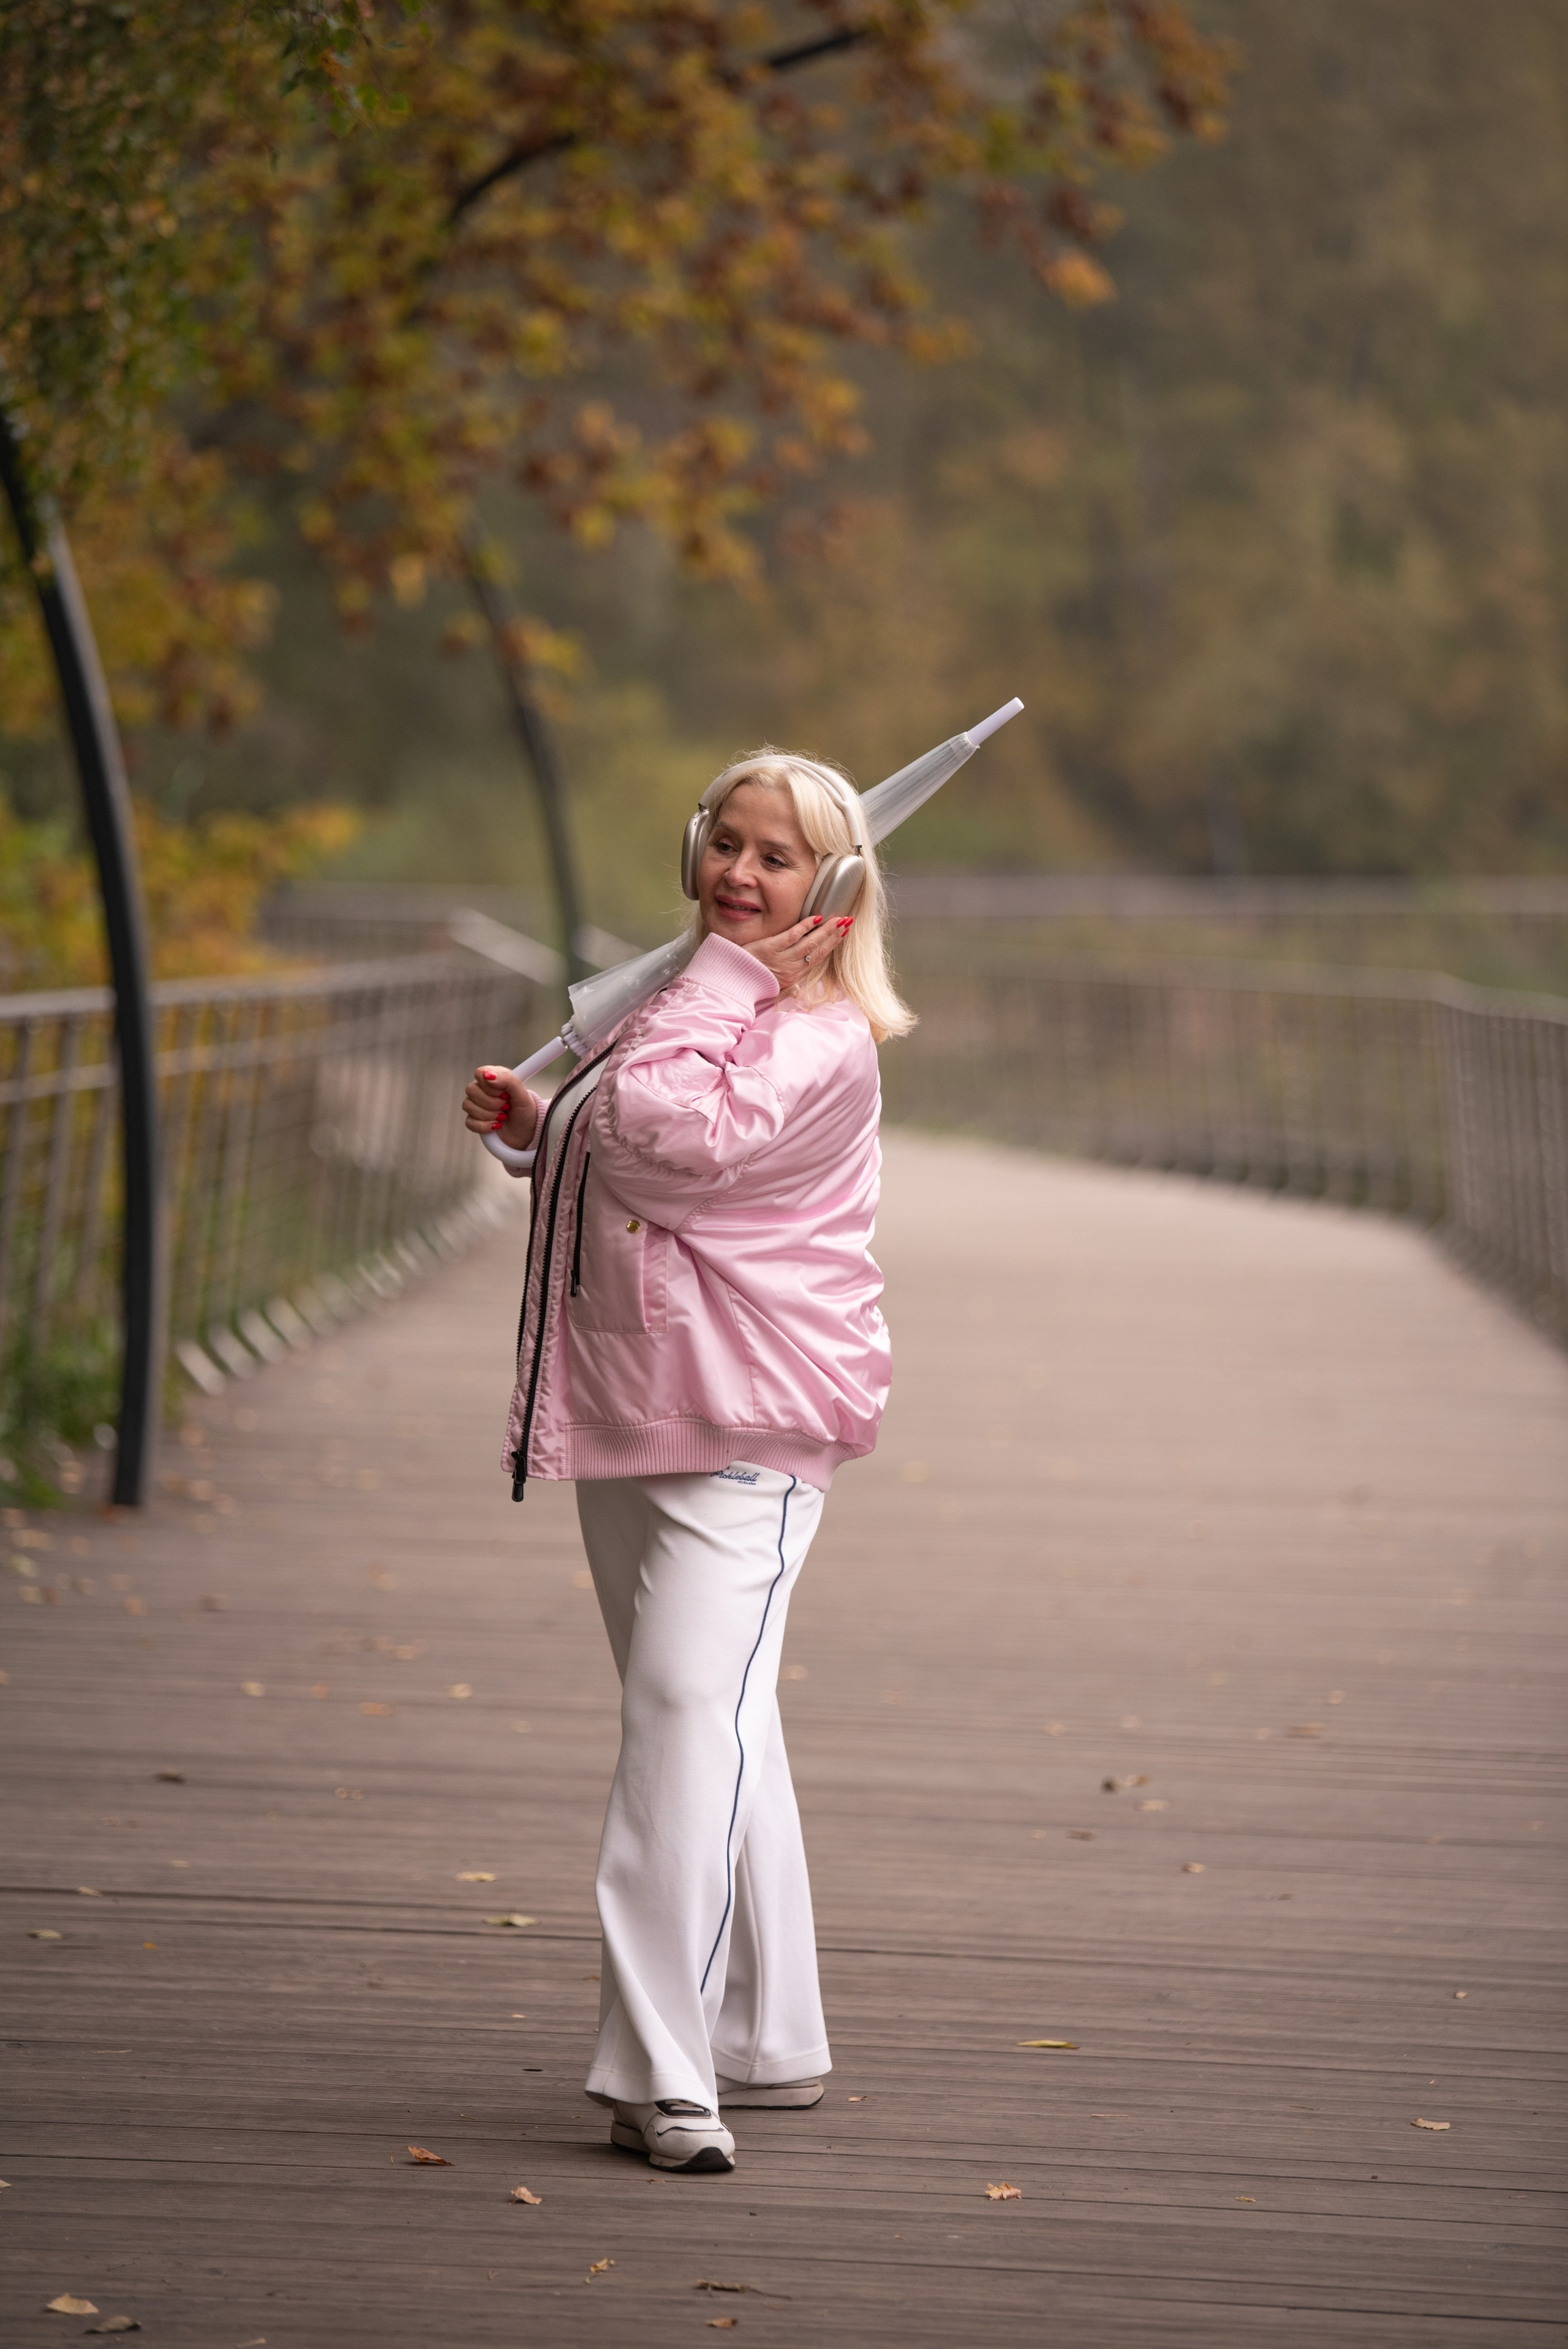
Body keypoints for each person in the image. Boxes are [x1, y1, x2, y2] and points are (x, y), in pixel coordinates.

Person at [461, 748, 912, 2175]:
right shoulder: (692, 1004)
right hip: (632, 1403)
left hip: (750, 1425)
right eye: (725, 841)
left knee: (675, 1708)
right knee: (719, 1716)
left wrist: (712, 988)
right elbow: (642, 1156)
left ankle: (665, 2075)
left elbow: (673, 1136)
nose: (737, 873)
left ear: (833, 887)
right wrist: (549, 1130)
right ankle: (773, 2037)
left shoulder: (817, 1034)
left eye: (777, 856)